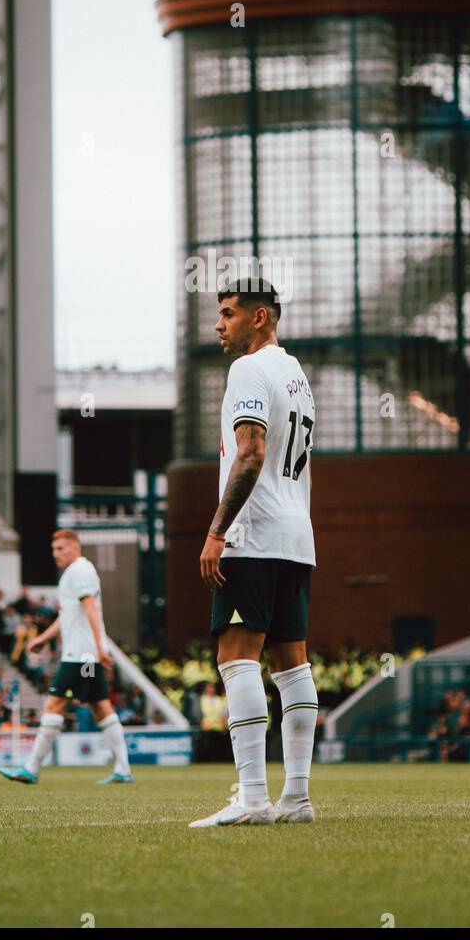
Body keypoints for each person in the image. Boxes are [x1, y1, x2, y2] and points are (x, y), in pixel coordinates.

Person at [190, 278, 319, 828]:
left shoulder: (248, 370)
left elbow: (250, 453)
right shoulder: (297, 375)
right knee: (293, 665)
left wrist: (218, 530)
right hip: (297, 535)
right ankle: (297, 798)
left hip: (254, 534)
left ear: (259, 317)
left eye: (227, 314)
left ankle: (251, 798)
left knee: (236, 658)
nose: (218, 325)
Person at [0, 529, 133, 786]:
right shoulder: (75, 572)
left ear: (75, 547)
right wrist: (43, 638)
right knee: (102, 708)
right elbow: (69, 615)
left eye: (61, 548)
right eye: (53, 549)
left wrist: (100, 646)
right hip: (85, 654)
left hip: (80, 656)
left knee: (54, 705)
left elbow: (91, 609)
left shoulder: (80, 571)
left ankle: (32, 767)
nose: (56, 554)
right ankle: (123, 769)